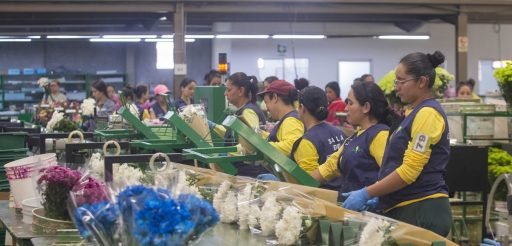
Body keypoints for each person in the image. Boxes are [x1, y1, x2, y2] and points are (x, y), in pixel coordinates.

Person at [342, 51, 452, 237]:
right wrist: (382, 196)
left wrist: (368, 192)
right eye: (396, 81)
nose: (396, 87)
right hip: (407, 207)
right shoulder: (413, 114)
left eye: (401, 81)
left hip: (422, 209)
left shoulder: (427, 114)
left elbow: (410, 171)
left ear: (422, 82)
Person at [311, 82, 395, 201]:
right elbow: (331, 165)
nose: (346, 108)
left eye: (350, 103)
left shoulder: (380, 136)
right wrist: (299, 186)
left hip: (370, 213)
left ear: (366, 107)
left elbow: (391, 176)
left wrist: (372, 197)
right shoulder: (357, 135)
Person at [209, 72, 267, 177]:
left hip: (248, 171)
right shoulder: (242, 110)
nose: (225, 94)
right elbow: (236, 136)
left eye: (229, 90)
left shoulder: (248, 112)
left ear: (241, 91)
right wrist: (212, 126)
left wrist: (229, 153)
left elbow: (252, 145)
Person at [290, 86, 345, 191]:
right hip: (343, 194)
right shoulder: (339, 133)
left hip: (324, 200)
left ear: (302, 108)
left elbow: (308, 183)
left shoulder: (307, 142)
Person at [258, 80, 304, 156]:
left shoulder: (291, 120)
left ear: (275, 98)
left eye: (266, 102)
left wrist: (260, 145)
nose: (266, 108)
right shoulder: (288, 119)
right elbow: (278, 139)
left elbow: (291, 146)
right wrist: (260, 135)